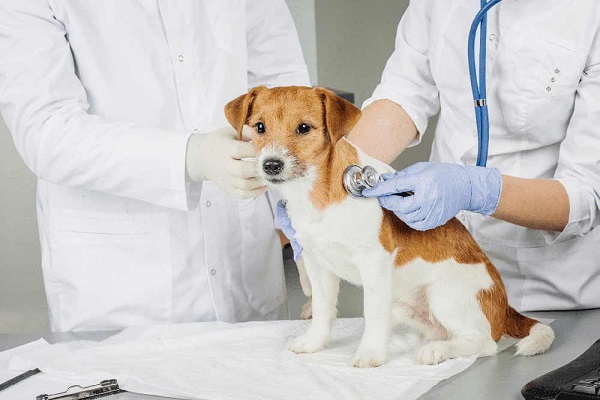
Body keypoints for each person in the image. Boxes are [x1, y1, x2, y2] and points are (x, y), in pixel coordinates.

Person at [0, 1, 310, 332]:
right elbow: (47, 131)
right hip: (122, 295)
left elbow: (285, 93)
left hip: (246, 276)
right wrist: (191, 156)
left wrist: (308, 229)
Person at [281, 1, 600, 312]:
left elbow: (587, 196)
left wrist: (475, 190)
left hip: (548, 297)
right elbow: (405, 94)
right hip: (439, 278)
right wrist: (333, 176)